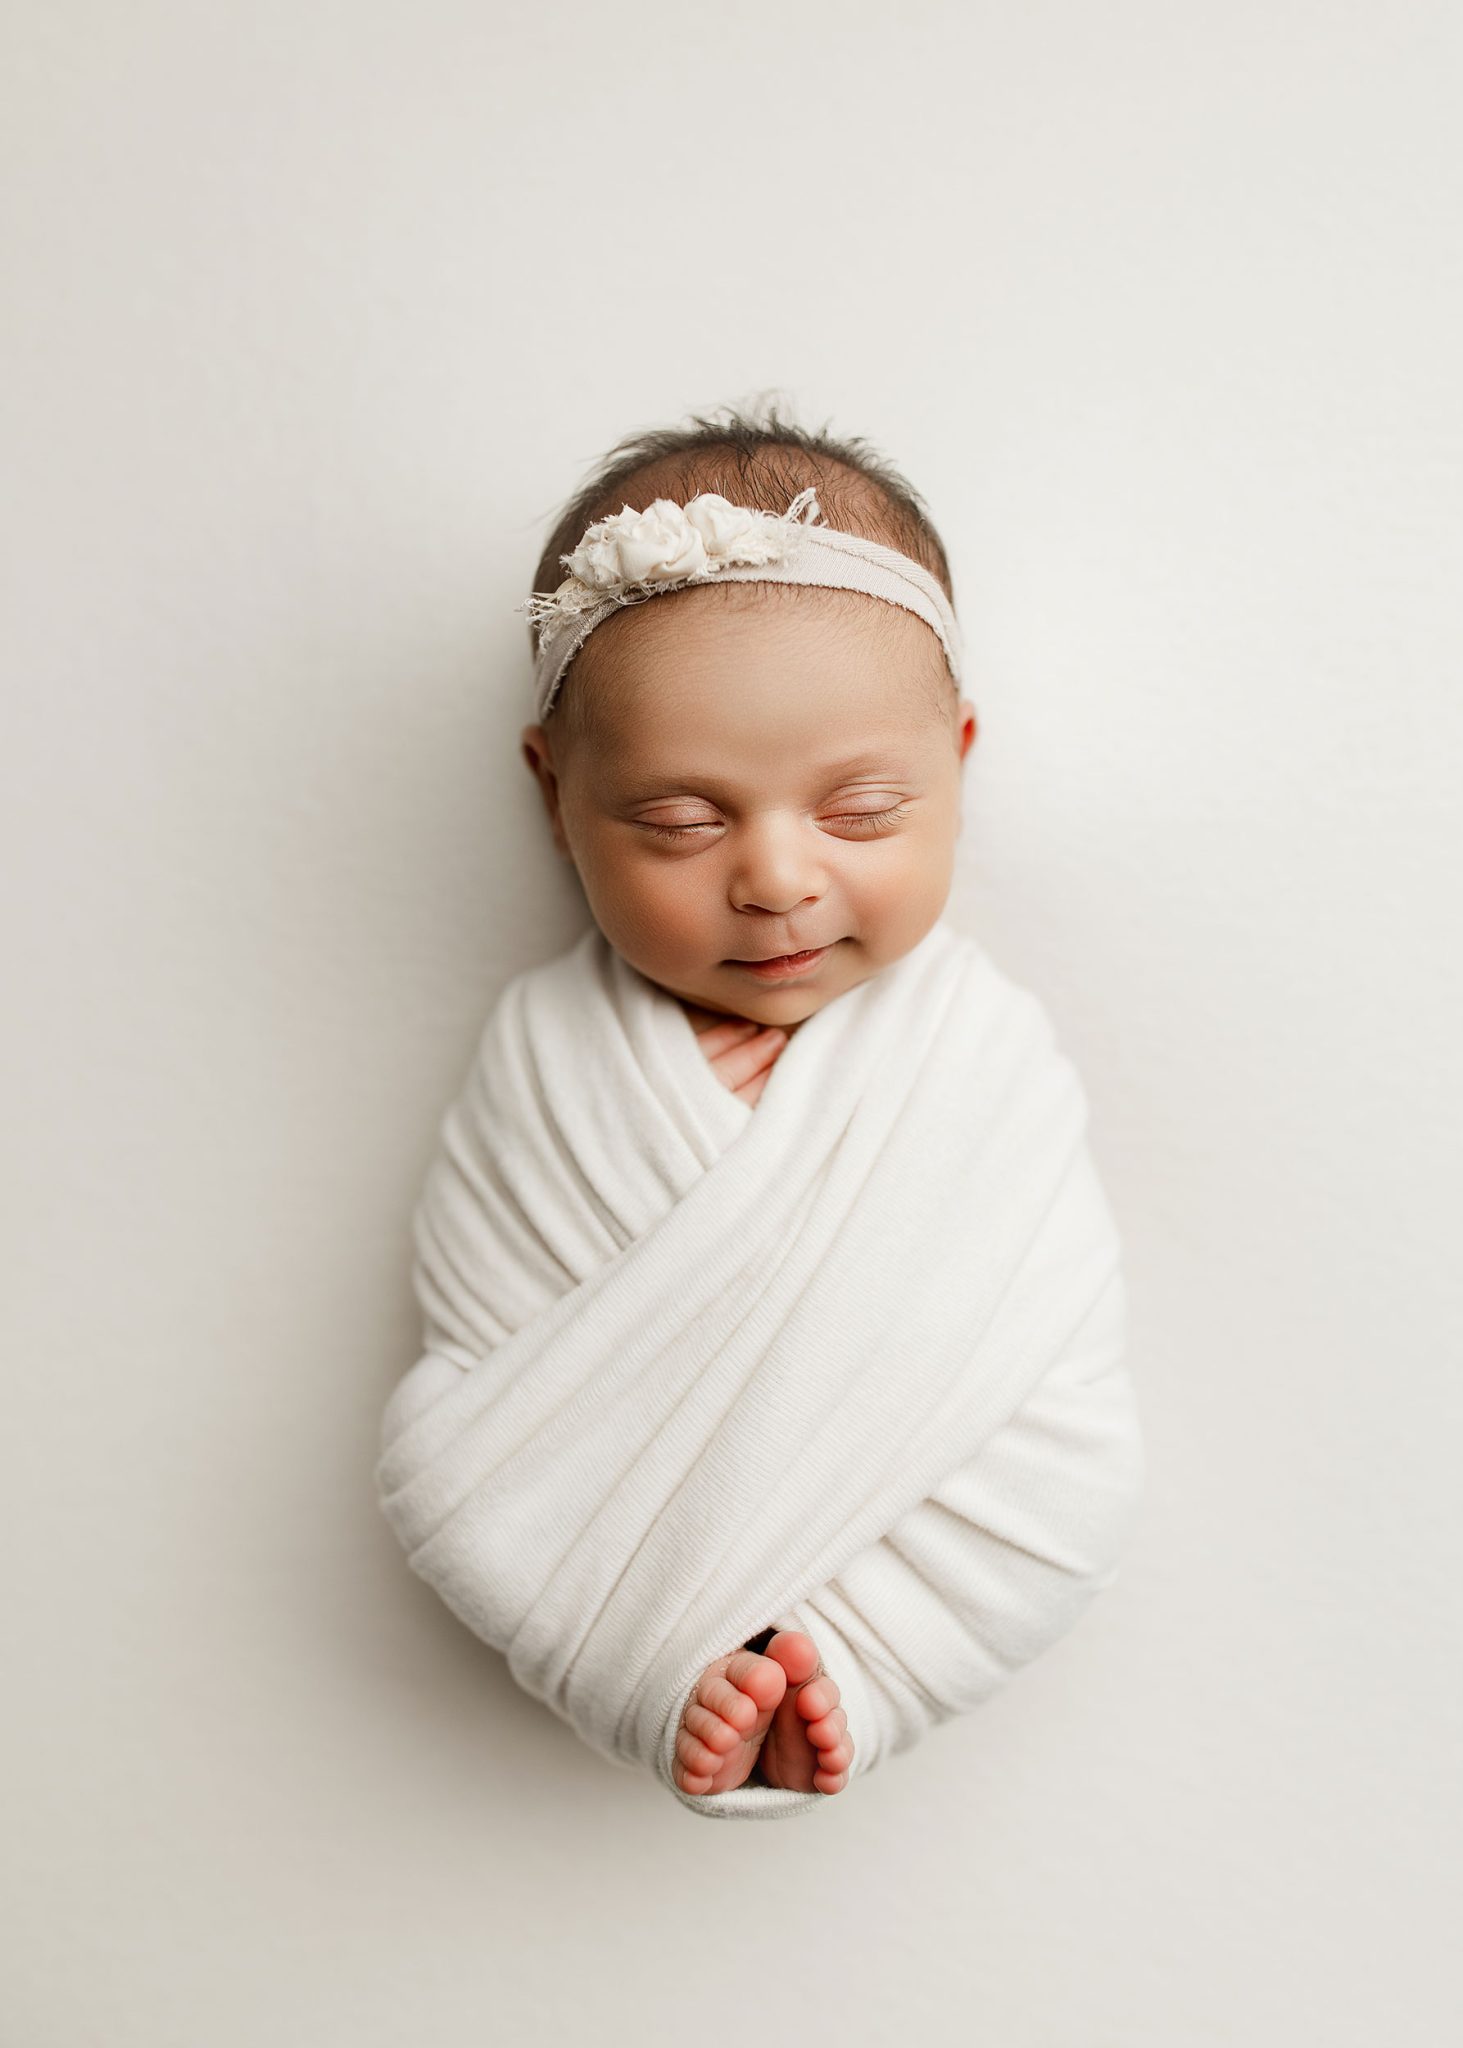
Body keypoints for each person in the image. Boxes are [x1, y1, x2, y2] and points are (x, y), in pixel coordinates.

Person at [378, 399, 1144, 1821]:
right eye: (679, 823)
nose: (777, 879)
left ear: (961, 764)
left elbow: (1044, 1355)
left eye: (859, 810)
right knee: (456, 1473)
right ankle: (671, 1653)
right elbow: (487, 1366)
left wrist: (867, 1643)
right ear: (557, 797)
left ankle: (863, 1668)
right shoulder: (550, 1055)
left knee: (1076, 1472)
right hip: (598, 1543)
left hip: (940, 1525)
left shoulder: (981, 1052)